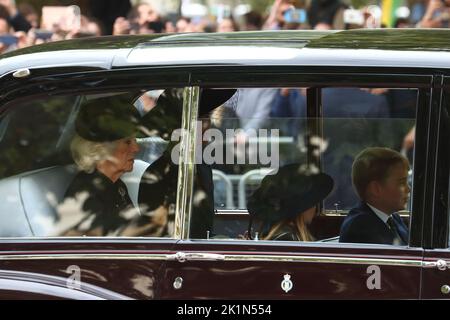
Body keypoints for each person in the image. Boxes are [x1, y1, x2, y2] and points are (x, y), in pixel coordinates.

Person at [58, 95, 151, 237]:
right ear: (101, 149)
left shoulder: (115, 184)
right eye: (127, 142)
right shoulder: (86, 196)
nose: (136, 148)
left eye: (135, 140)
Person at [339, 147, 410, 246]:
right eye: (401, 183)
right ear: (376, 189)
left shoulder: (393, 218)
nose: (408, 189)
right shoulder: (360, 227)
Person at [247, 164, 334, 241]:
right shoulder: (288, 238)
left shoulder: (283, 234)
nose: (314, 209)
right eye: (313, 204)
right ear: (302, 209)